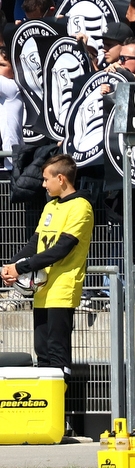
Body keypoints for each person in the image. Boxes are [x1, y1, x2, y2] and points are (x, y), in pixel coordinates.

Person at [1, 155, 94, 382]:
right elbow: (35, 243)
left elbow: (61, 249)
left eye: (46, 179)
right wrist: (11, 265)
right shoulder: (50, 206)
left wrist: (22, 267)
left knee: (57, 354)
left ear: (61, 179)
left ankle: (59, 412)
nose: (43, 184)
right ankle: (45, 411)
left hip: (62, 290)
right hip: (42, 290)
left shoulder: (82, 207)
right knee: (41, 352)